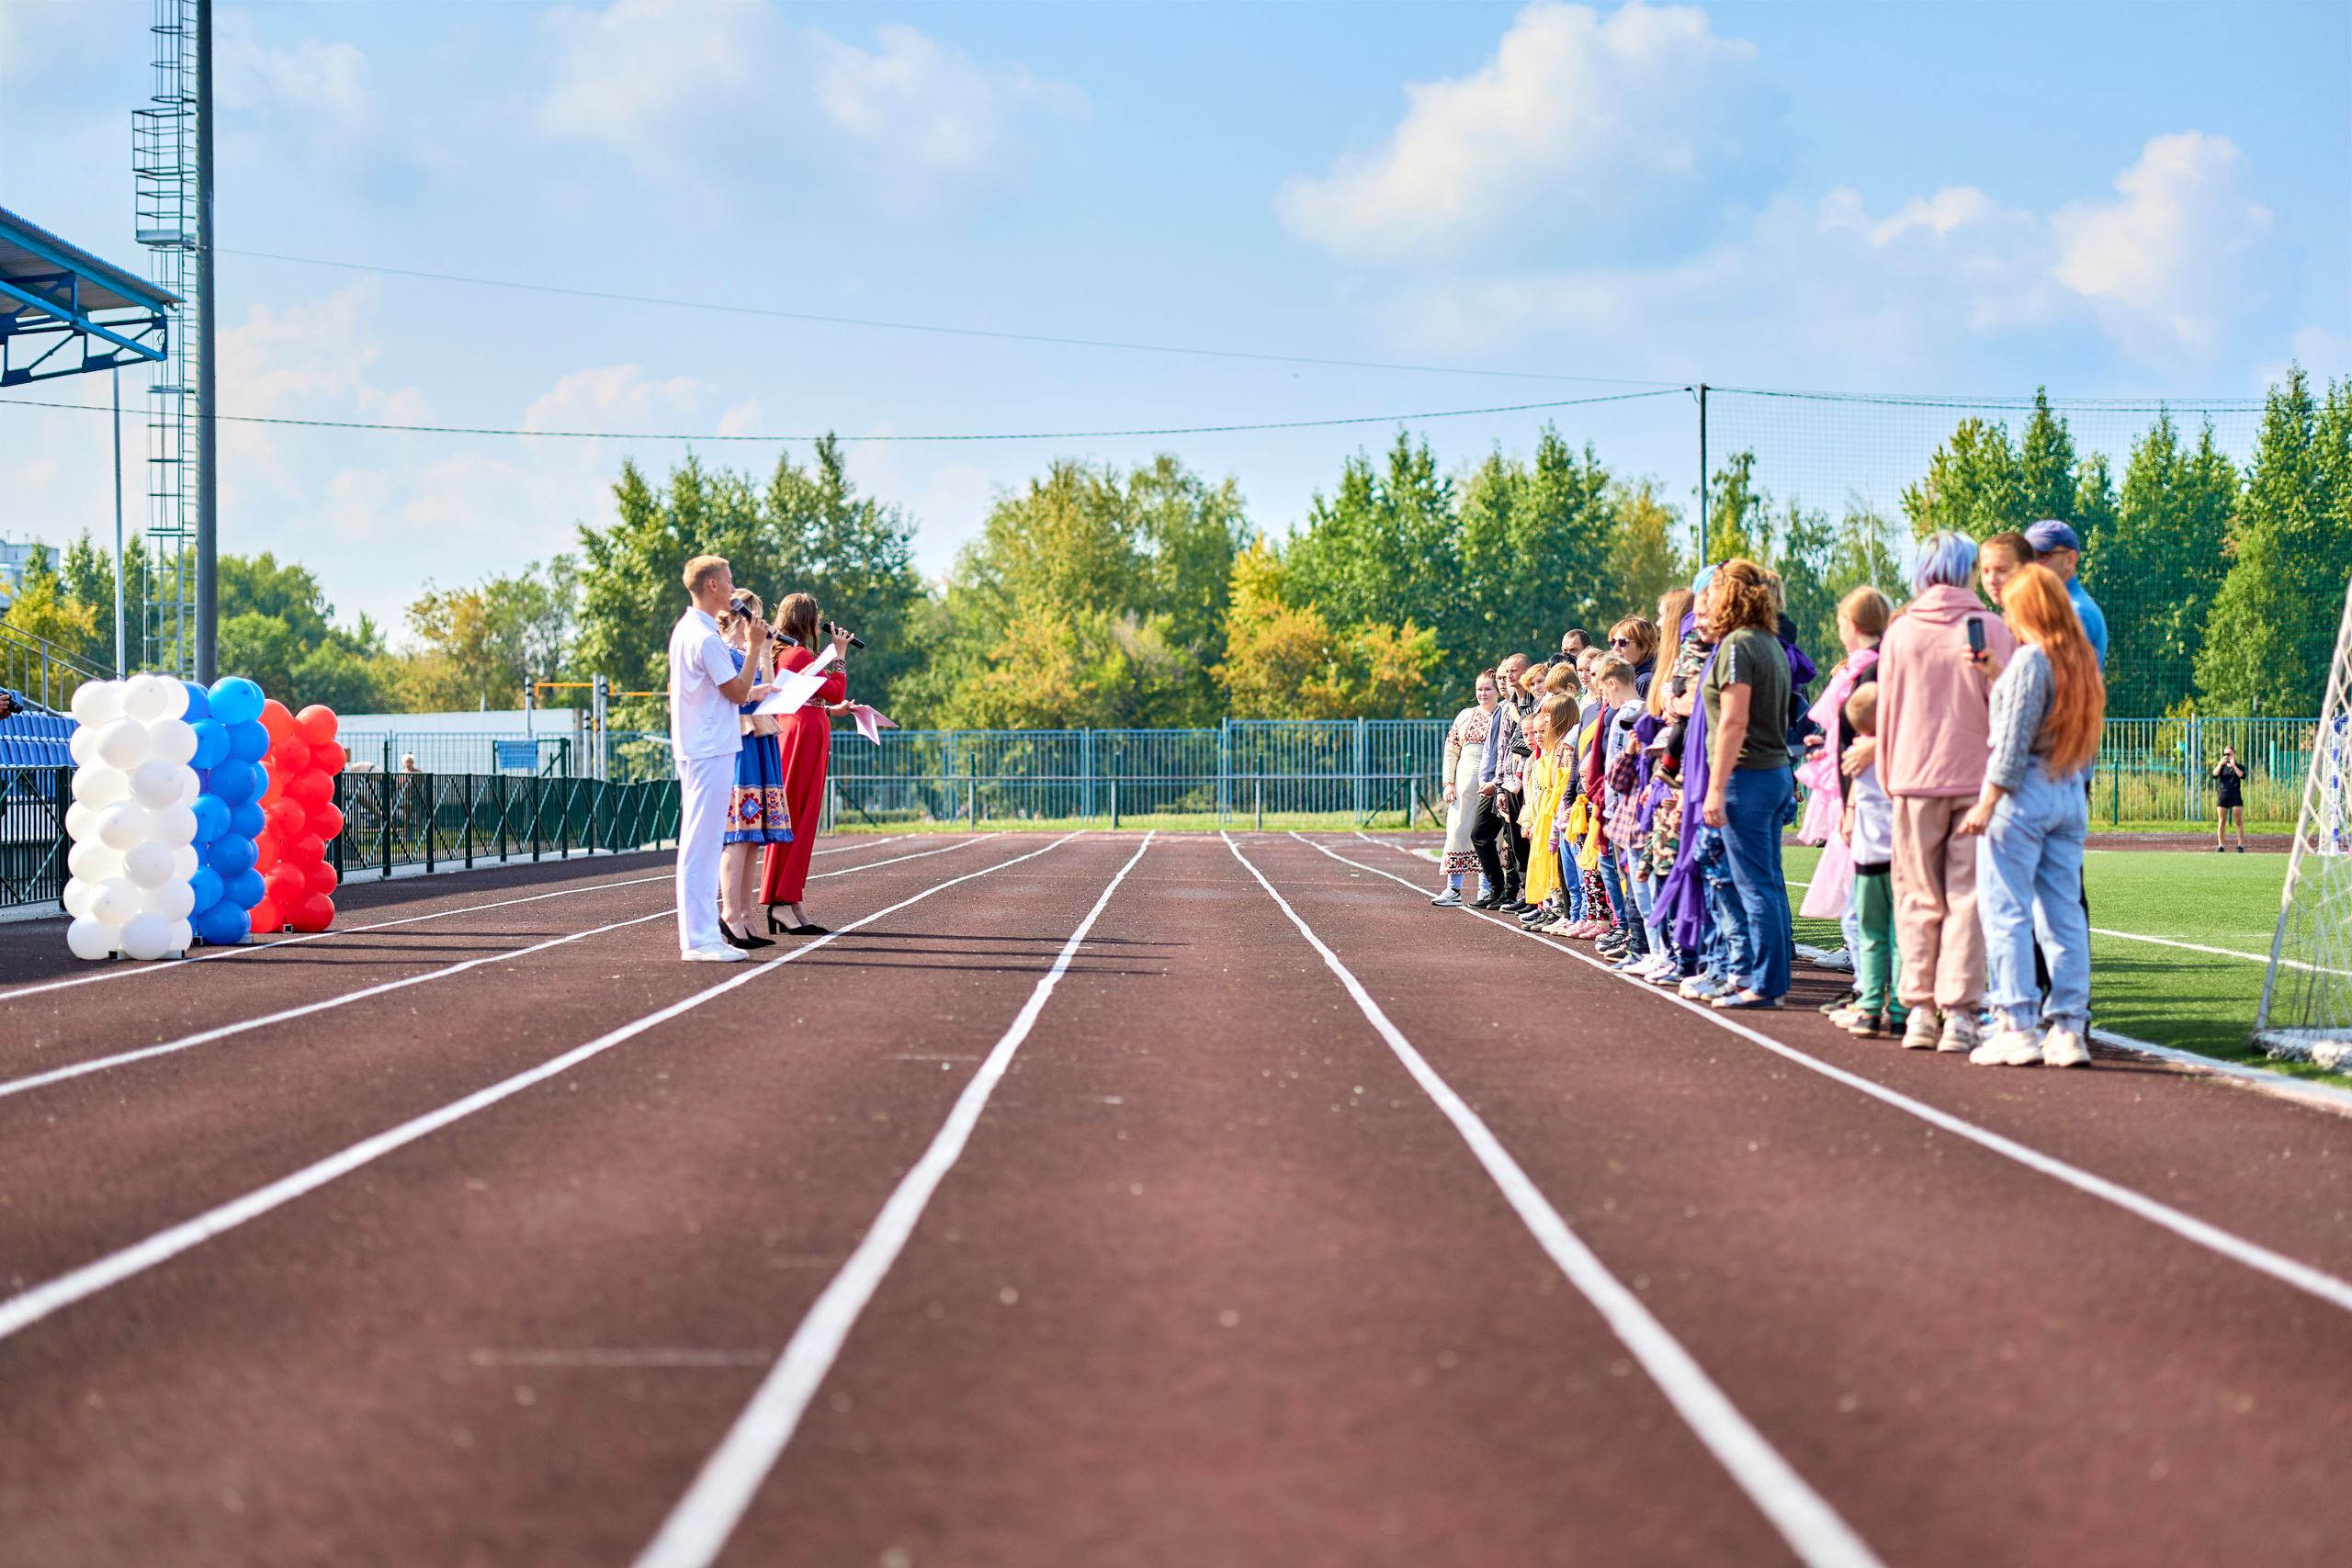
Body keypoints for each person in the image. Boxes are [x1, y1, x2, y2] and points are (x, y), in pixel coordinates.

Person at [1959, 562, 2106, 1069]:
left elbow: (2014, 741)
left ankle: (2016, 1025)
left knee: (2006, 912)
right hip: (2069, 790)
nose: (2005, 616)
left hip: (2022, 793)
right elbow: (2044, 713)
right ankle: (2069, 1028)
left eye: (2011, 607)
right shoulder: (2080, 662)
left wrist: (1987, 801)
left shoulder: (2030, 659)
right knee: (2063, 916)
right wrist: (1996, 677)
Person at [1878, 532, 2016, 1050]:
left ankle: (1918, 1011)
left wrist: (1890, 777)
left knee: (1915, 896)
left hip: (1913, 779)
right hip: (1978, 782)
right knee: (1968, 898)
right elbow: (2008, 704)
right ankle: (1959, 1013)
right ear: (1967, 571)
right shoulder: (1991, 627)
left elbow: (1887, 712)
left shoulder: (1901, 632)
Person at [1698, 558, 1796, 1009]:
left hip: (1748, 778)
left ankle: (1765, 985)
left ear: (1731, 595)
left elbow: (1734, 722)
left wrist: (1716, 787)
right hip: (1771, 774)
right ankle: (1769, 981)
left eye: (1715, 589)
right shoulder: (1768, 642)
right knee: (1766, 883)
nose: (1709, 598)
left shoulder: (1739, 645)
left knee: (1754, 886)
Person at [670, 555, 771, 962]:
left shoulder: (690, 630)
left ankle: (703, 934)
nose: (733, 588)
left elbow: (730, 692)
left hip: (703, 745)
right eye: (728, 581)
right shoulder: (705, 638)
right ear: (712, 585)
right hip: (708, 747)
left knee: (703, 843)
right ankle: (699, 939)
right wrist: (755, 646)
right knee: (704, 845)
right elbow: (738, 692)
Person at [760, 592, 855, 935]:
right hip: (802, 738)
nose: (819, 622)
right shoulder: (799, 654)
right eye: (816, 616)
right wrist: (840, 656)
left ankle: (790, 897)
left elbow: (811, 700)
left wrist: (830, 710)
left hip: (800, 731)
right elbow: (834, 689)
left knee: (796, 816)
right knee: (798, 817)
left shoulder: (788, 654)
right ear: (805, 620)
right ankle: (781, 901)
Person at [1830, 683, 1905, 1039]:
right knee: (1902, 939)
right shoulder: (1902, 752)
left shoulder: (1857, 753)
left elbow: (1855, 790)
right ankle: (1902, 1011)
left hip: (1868, 858)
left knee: (1871, 935)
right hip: (1903, 857)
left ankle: (1872, 1006)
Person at [716, 592, 789, 950]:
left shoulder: (749, 651)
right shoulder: (720, 650)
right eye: (753, 616)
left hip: (760, 737)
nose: (759, 623)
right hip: (740, 739)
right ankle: (730, 913)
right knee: (738, 832)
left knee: (752, 835)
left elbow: (770, 692)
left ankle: (745, 915)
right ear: (736, 618)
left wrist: (764, 650)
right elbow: (734, 695)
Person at [1472, 652, 1532, 909]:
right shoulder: (1503, 710)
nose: (1506, 679)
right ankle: (1498, 889)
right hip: (1501, 782)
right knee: (1481, 834)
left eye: (1510, 674)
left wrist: (1499, 783)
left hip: (1517, 781)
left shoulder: (1526, 705)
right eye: (1501, 676)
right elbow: (1495, 750)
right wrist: (1492, 782)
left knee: (1515, 839)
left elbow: (1522, 744)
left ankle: (1515, 892)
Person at [1433, 671, 1498, 906]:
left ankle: (1485, 889)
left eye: (1488, 689)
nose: (1483, 694)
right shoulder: (1464, 716)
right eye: (1479, 689)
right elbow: (1451, 751)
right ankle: (1453, 889)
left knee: (1489, 837)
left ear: (1497, 691)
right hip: (1463, 788)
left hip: (1491, 786)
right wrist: (1448, 783)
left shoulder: (1503, 714)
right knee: (1457, 832)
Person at [2023, 520, 2107, 668]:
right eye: (2029, 556)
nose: (2034, 563)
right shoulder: (2046, 605)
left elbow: (2063, 679)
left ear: (2070, 559)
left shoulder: (2076, 613)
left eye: (2043, 555)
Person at [1979, 532, 2039, 613]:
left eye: (2002, 570)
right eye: (1986, 571)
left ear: (2028, 570)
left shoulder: (2044, 616)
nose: (1991, 580)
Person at [1608, 617, 1660, 699]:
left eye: (1623, 642)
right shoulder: (1624, 678)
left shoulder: (1645, 680)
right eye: (1613, 642)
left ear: (1644, 647)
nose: (1615, 648)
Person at [2212, 746, 2248, 852]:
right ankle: (2221, 845)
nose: (2227, 756)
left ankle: (2240, 845)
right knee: (2222, 820)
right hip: (2223, 794)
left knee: (2238, 820)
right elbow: (2214, 775)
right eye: (2225, 754)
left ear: (2234, 754)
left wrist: (2234, 765)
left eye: (2229, 754)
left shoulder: (2239, 766)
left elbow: (2242, 776)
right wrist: (2220, 764)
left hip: (2235, 794)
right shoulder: (2222, 767)